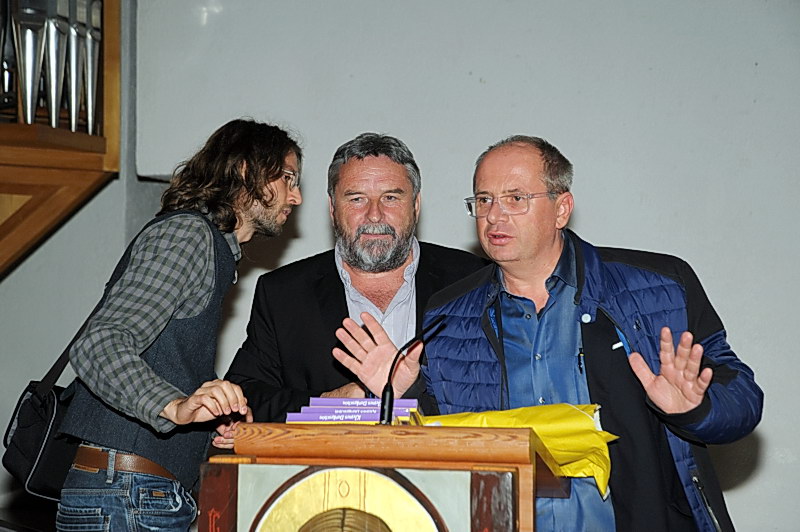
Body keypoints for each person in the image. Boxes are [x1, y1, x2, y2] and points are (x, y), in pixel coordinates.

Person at [333, 136, 763, 532]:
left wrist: (695, 409)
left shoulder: (655, 287)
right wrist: (404, 392)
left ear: (562, 208)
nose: (494, 215)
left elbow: (743, 399)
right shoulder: (449, 313)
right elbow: (447, 446)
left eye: (515, 198)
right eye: (483, 200)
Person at [56, 118, 303, 532]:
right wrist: (174, 406)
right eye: (288, 178)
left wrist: (206, 423)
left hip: (134, 493)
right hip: (129, 495)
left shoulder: (209, 245)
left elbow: (163, 359)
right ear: (247, 170)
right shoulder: (189, 235)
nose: (296, 196)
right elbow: (98, 343)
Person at [225, 133, 486, 422]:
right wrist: (331, 405)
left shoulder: (473, 280)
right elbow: (245, 396)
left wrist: (411, 395)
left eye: (390, 197)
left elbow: (500, 396)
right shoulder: (285, 293)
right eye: (357, 198)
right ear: (332, 208)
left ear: (415, 205)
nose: (374, 215)